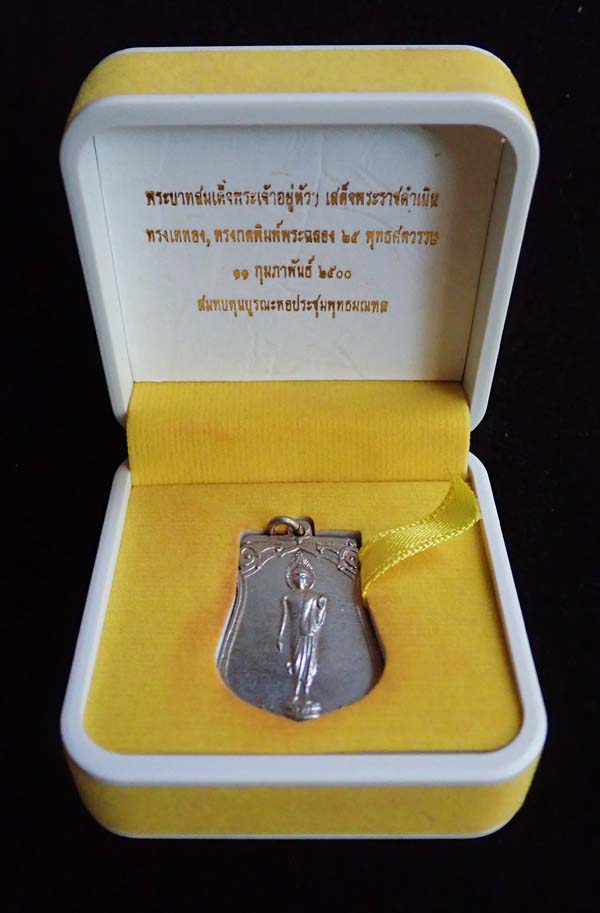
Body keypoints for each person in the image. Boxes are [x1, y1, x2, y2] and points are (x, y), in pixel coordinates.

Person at [277, 553, 328, 720]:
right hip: (295, 635)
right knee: (296, 662)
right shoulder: (288, 597)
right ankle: (295, 693)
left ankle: (306, 693)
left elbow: (319, 619)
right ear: (293, 579)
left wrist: (321, 607)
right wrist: (280, 636)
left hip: (310, 634)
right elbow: (284, 618)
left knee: (309, 663)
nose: (301, 580)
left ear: (307, 580)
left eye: (303, 577)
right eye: (297, 577)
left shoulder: (314, 597)